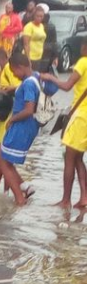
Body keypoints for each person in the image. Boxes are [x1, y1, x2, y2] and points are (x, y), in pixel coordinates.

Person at [41, 37, 87, 209]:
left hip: (80, 115)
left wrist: (50, 78)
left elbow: (67, 86)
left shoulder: (83, 62)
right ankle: (84, 197)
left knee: (69, 158)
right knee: (78, 159)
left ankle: (66, 199)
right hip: (85, 116)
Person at [0, 53, 40, 206]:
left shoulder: (28, 84)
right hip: (26, 126)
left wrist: (11, 120)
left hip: (22, 126)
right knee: (4, 159)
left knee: (3, 161)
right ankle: (25, 187)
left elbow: (29, 109)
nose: (14, 74)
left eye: (14, 72)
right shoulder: (34, 77)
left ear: (20, 68)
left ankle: (19, 198)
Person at [0, 48, 23, 194]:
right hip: (10, 114)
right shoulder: (7, 69)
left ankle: (19, 186)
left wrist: (1, 89)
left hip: (9, 115)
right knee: (2, 156)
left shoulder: (7, 69)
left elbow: (18, 86)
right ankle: (0, 191)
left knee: (0, 154)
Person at [22, 6, 47, 72]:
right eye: (37, 16)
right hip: (31, 56)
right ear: (34, 16)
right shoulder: (29, 26)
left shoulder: (41, 26)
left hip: (39, 56)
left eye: (41, 16)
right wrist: (28, 59)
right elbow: (26, 44)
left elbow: (42, 41)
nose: (39, 18)